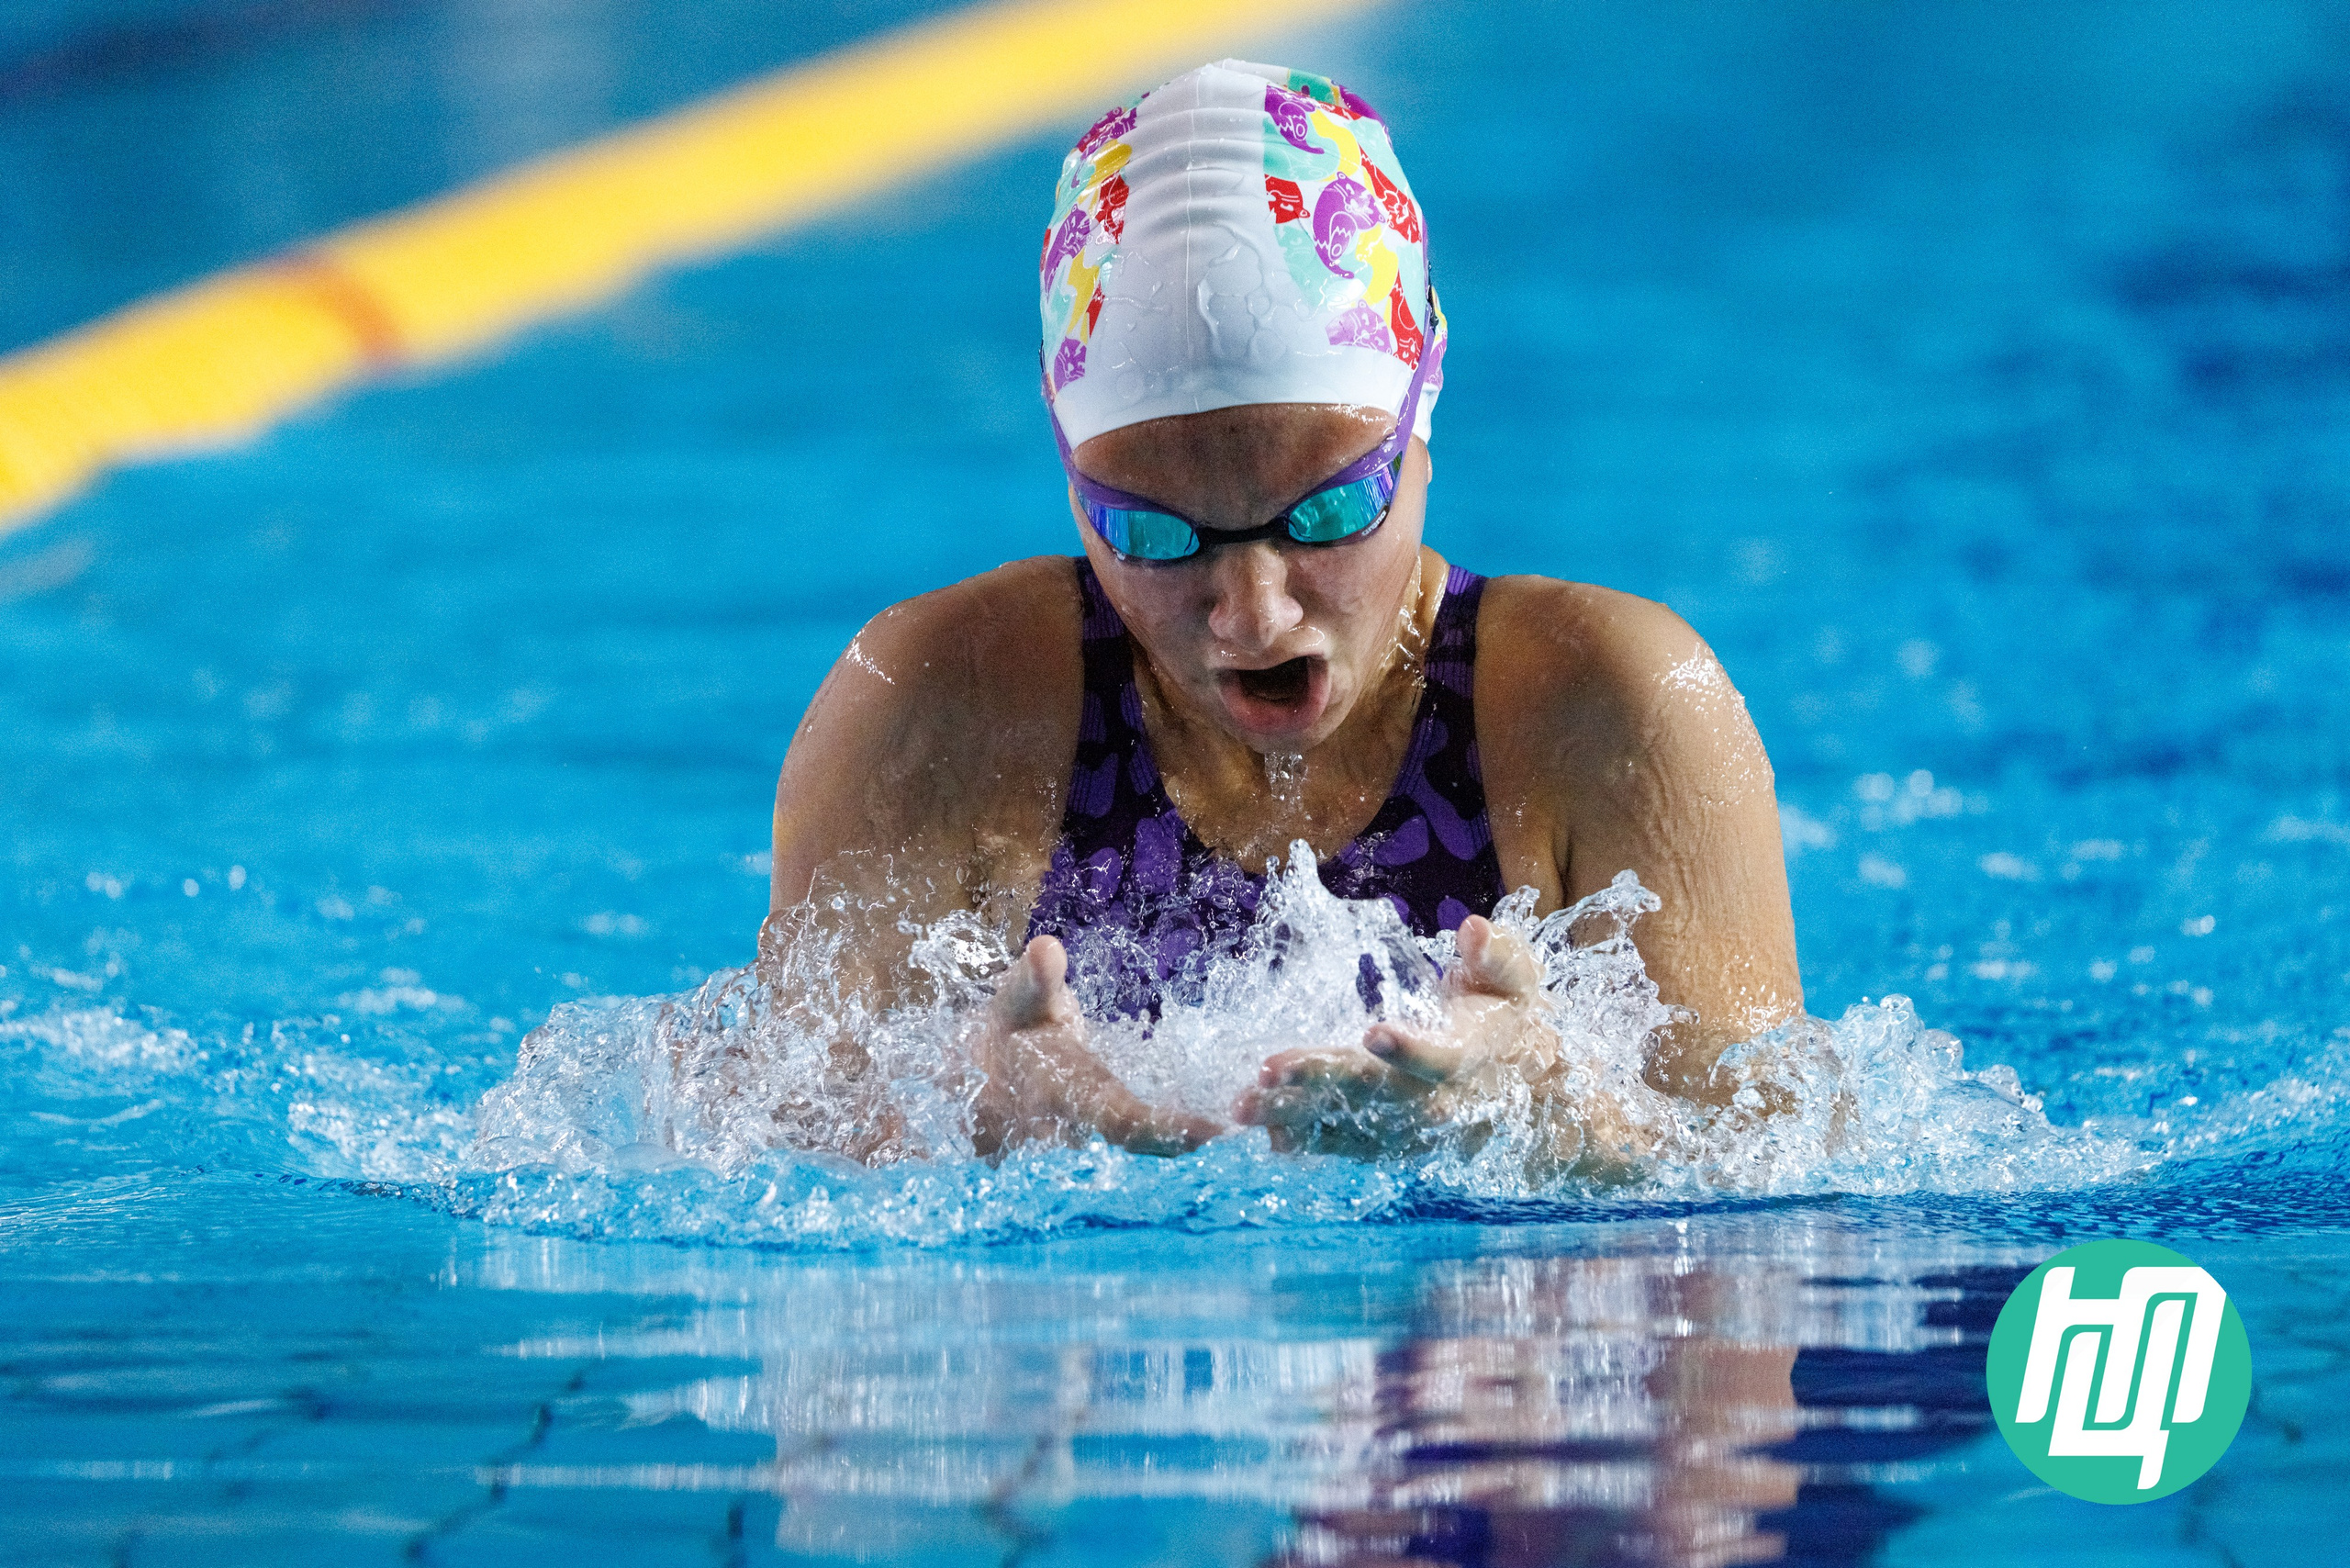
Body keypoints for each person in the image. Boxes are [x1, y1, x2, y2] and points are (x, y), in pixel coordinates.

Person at [761, 61, 1799, 1168]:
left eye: (1329, 511)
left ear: (1424, 407)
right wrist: (957, 1118)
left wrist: (1557, 1115)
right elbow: (759, 1152)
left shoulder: (1615, 708)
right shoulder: (934, 710)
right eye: (1155, 533)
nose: (1253, 616)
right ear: (1070, 478)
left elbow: (1797, 1192)